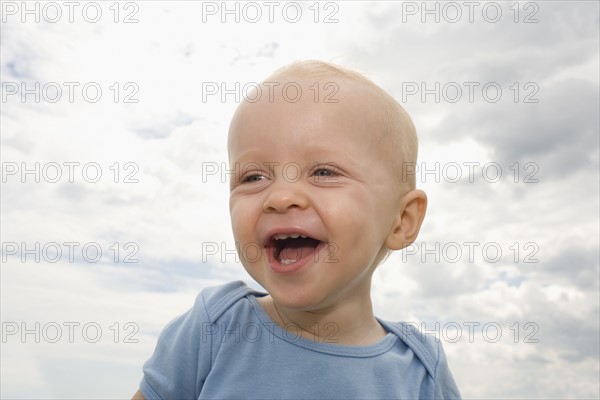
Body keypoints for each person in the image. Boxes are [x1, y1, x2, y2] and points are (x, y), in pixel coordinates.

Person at [132, 60, 461, 399]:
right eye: (253, 177)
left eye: (323, 172)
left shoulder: (421, 373)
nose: (281, 197)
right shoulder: (215, 327)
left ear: (402, 220)